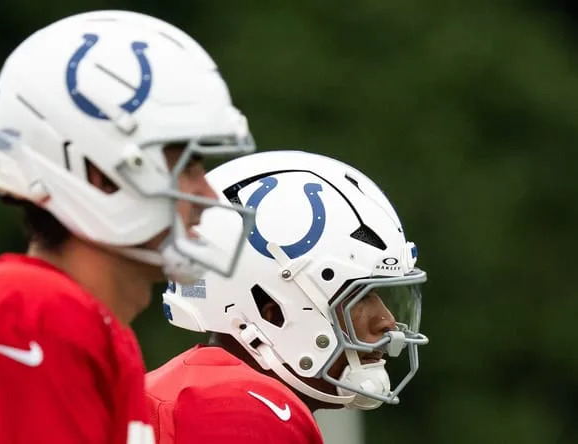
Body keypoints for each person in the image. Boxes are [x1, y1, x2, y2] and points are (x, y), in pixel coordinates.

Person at [0, 10, 255, 444]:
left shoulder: (87, 327)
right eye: (187, 165)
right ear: (101, 176)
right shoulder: (27, 314)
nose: (206, 193)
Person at [146, 150, 429, 443]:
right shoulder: (241, 414)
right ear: (273, 312)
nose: (387, 321)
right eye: (358, 296)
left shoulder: (176, 392)